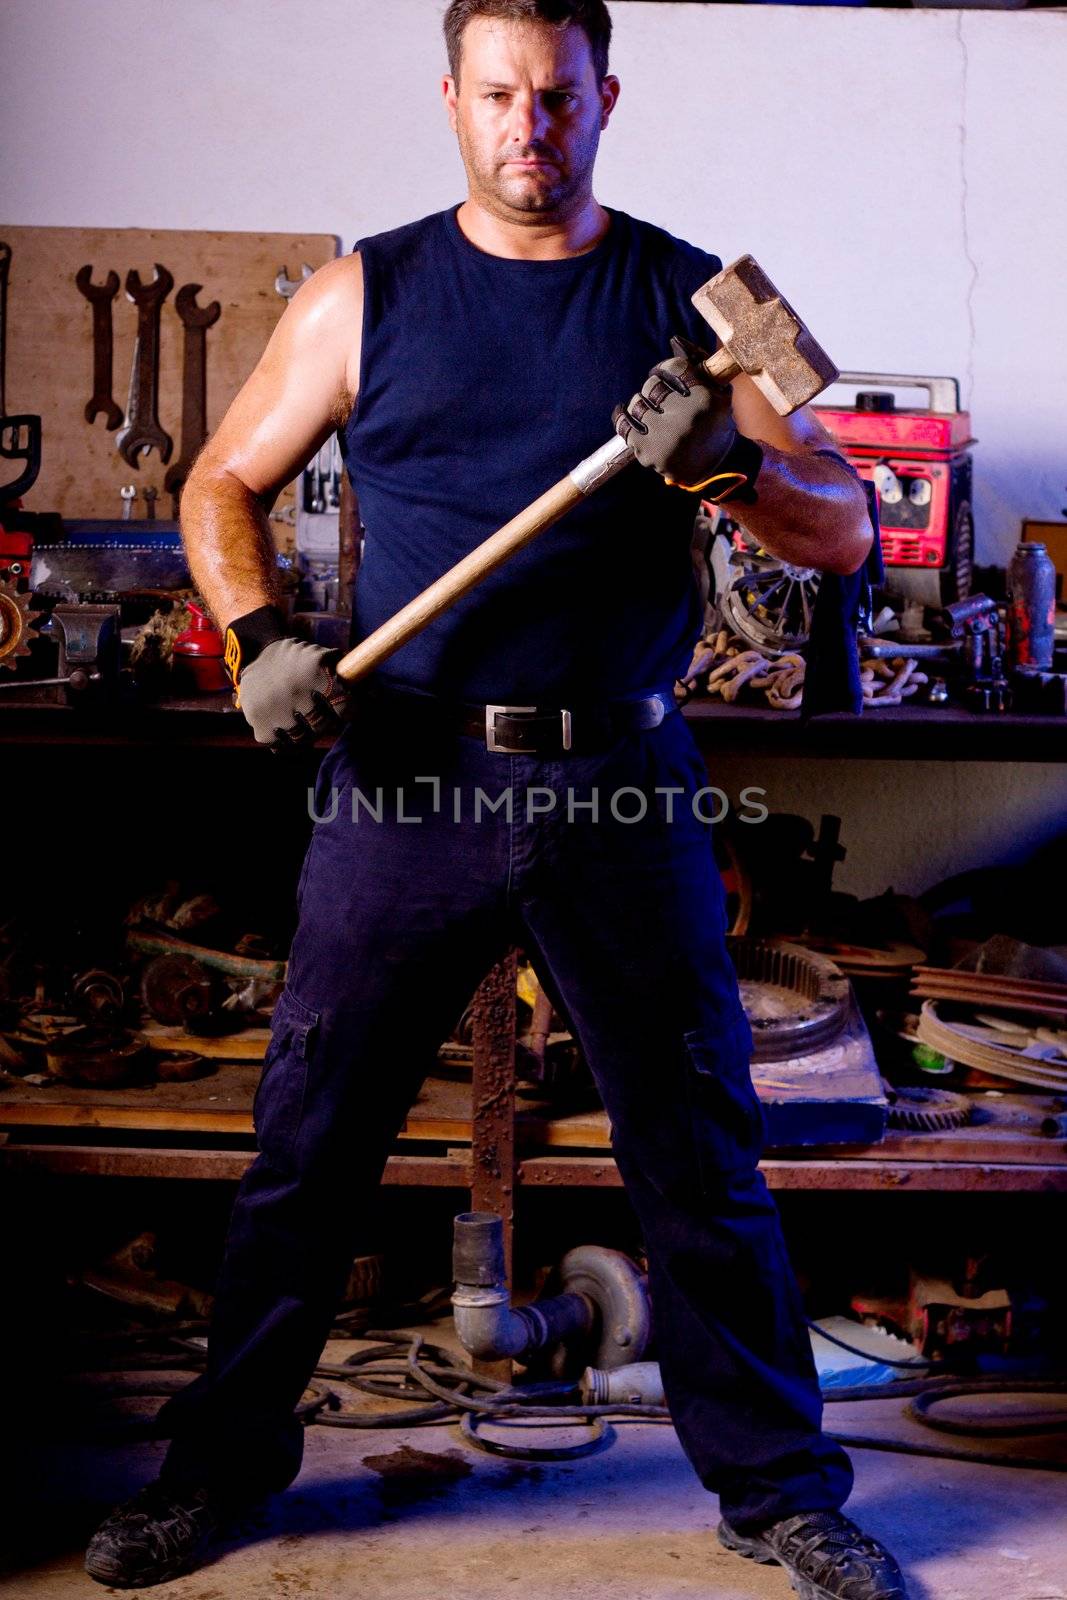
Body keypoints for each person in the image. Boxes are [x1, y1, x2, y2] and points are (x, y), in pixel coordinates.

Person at [85, 3, 906, 1596]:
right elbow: (220, 485)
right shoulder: (362, 294)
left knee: (698, 1151)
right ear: (452, 100)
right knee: (308, 1144)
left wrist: (730, 470)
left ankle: (781, 1492)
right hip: (403, 775)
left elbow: (847, 530)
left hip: (619, 777)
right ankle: (220, 1472)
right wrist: (257, 636)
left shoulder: (703, 305)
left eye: (561, 97)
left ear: (610, 99)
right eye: (500, 96)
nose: (531, 129)